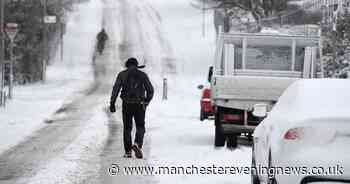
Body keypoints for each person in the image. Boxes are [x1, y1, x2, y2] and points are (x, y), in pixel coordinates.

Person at [109, 58, 154, 159]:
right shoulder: (142, 75)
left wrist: (112, 103)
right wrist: (146, 101)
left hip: (127, 104)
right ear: (137, 65)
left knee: (127, 128)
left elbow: (115, 89)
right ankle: (137, 144)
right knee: (140, 126)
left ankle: (128, 151)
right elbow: (150, 90)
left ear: (127, 65)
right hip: (140, 105)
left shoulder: (122, 74)